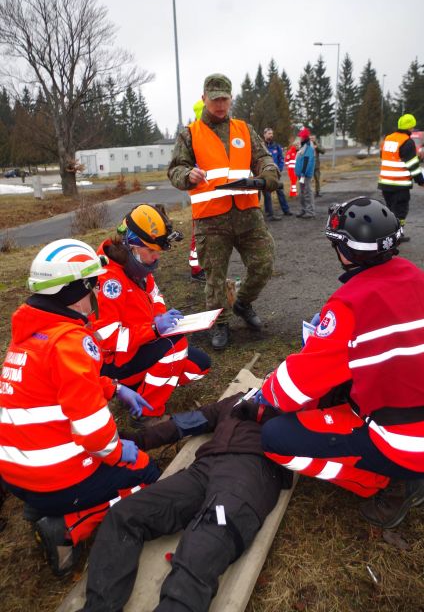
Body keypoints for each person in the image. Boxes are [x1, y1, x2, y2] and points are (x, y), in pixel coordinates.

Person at [256, 197, 424, 529]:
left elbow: (290, 391)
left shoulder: (349, 305)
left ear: (344, 251)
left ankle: (388, 483)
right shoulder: (417, 278)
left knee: (274, 438)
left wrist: (266, 391)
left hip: (406, 444)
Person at [0, 239, 160, 576]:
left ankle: (43, 504)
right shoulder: (71, 342)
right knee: (147, 475)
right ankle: (68, 525)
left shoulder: (30, 334)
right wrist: (118, 452)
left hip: (15, 472)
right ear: (77, 290)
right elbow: (93, 430)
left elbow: (62, 384)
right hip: (52, 475)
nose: (97, 293)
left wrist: (114, 387)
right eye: (93, 285)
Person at [76, 393, 292, 612]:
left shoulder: (296, 405)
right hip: (203, 469)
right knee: (124, 514)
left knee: (204, 545)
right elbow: (188, 421)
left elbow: (306, 435)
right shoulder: (240, 398)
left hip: (249, 473)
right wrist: (136, 440)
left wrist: (264, 412)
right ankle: (100, 607)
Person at [168, 73, 279, 350]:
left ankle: (242, 303)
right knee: (214, 277)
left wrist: (268, 172)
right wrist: (187, 175)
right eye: (214, 99)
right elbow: (175, 169)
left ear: (231, 99)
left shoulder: (244, 129)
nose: (220, 105)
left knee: (264, 263)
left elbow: (262, 158)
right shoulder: (190, 133)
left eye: (224, 99)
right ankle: (220, 322)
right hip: (211, 218)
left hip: (247, 214)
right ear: (204, 99)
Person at [94, 204, 211, 420]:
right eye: (151, 251)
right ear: (131, 245)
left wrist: (159, 315)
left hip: (142, 345)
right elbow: (107, 340)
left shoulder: (136, 265)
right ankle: (147, 413)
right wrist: (154, 329)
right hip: (114, 362)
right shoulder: (109, 281)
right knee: (176, 347)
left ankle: (139, 388)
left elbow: (155, 295)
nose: (156, 257)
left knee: (199, 366)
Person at [378, 113, 424, 242]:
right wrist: (420, 181)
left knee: (390, 210)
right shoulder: (407, 142)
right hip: (399, 184)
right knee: (400, 211)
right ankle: (396, 236)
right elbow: (412, 165)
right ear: (410, 127)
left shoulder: (388, 138)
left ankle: (389, 234)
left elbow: (382, 156)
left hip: (385, 183)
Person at [190, 99, 207, 282]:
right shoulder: (196, 135)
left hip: (206, 194)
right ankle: (196, 269)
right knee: (199, 234)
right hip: (202, 194)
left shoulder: (198, 133)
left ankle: (200, 266)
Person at [262, 127, 292, 221]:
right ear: (264, 134)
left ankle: (286, 210)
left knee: (280, 191)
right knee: (267, 194)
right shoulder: (261, 146)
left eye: (272, 133)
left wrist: (280, 168)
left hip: (276, 173)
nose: (271, 135)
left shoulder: (276, 146)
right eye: (269, 133)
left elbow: (281, 158)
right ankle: (269, 214)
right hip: (265, 174)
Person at [295, 127, 316, 218]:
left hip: (305, 174)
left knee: (307, 192)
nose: (299, 138)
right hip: (301, 174)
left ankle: (310, 212)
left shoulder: (308, 147)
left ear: (304, 137)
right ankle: (303, 210)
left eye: (301, 136)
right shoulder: (303, 146)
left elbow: (307, 161)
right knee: (302, 192)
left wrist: (303, 173)